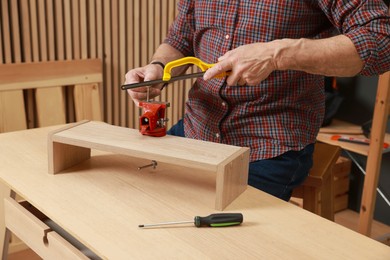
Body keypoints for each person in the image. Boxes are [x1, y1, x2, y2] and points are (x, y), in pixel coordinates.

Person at [125, 1, 390, 201]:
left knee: (216, 242)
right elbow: (180, 37)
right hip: (196, 129)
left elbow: (381, 39)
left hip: (267, 145)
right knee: (134, 195)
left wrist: (277, 55)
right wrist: (158, 67)